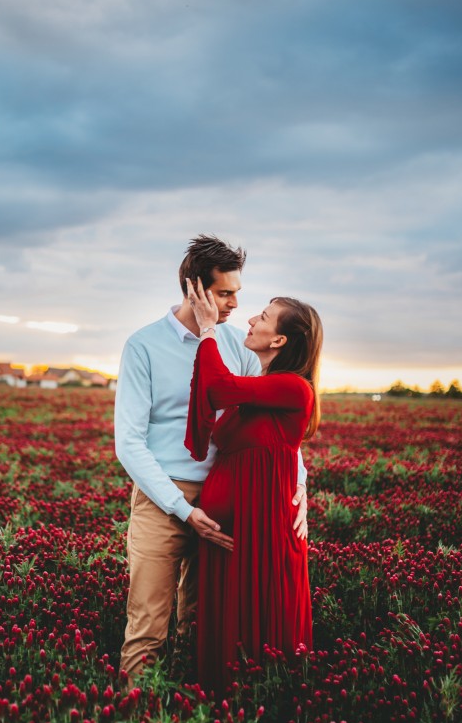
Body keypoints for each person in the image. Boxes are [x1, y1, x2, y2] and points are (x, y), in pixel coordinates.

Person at [114, 235, 309, 685]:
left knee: (203, 627)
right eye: (225, 293)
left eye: (238, 293)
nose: (235, 304)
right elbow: (129, 443)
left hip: (229, 505)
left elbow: (273, 428)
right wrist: (183, 510)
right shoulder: (143, 345)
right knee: (148, 626)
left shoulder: (235, 345)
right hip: (165, 501)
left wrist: (298, 486)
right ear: (193, 289)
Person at [184, 277, 323, 696]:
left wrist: (208, 328)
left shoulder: (293, 387)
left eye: (261, 317)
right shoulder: (261, 390)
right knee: (229, 624)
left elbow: (218, 388)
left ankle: (265, 718)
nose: (249, 318)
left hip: (261, 531)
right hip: (231, 531)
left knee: (261, 625)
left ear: (278, 339)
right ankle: (226, 719)